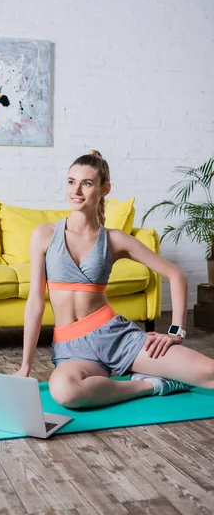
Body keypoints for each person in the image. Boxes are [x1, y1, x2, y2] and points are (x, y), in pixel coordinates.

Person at [14, 150, 214, 409]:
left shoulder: (114, 239)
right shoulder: (44, 234)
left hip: (119, 339)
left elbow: (177, 275)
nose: (76, 190)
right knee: (65, 392)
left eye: (86, 183)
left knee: (209, 373)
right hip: (72, 350)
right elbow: (35, 303)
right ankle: (151, 384)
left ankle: (149, 372)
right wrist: (25, 366)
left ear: (104, 189)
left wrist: (176, 331)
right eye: (71, 181)